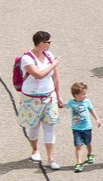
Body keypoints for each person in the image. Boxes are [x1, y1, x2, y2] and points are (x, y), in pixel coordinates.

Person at [19, 31, 65, 170]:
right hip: (31, 98)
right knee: (33, 126)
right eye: (48, 42)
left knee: (49, 127)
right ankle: (34, 150)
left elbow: (55, 77)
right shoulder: (27, 59)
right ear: (41, 43)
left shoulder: (49, 56)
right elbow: (38, 75)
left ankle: (51, 159)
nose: (50, 44)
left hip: (49, 97)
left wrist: (58, 95)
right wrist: (54, 64)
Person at [64, 81, 101, 172]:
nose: (85, 96)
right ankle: (79, 163)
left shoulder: (87, 101)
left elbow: (92, 110)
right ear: (76, 95)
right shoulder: (71, 102)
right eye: (83, 94)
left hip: (87, 128)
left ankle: (90, 154)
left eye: (85, 94)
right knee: (78, 146)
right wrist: (58, 102)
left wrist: (97, 119)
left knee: (88, 143)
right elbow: (64, 105)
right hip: (76, 129)